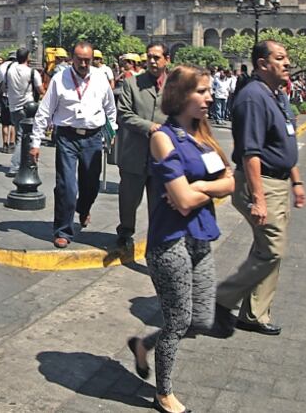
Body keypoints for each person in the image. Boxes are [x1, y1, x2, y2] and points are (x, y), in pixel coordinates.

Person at [126, 65, 235, 413]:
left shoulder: (204, 135)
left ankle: (144, 345)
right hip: (170, 241)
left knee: (200, 319)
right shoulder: (163, 137)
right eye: (201, 91)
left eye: (208, 91)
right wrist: (206, 190)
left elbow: (230, 182)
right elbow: (182, 202)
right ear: (180, 95)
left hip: (200, 237)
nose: (210, 96)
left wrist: (201, 186)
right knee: (178, 322)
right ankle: (164, 392)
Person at [215, 40, 306, 338]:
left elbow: (284, 142)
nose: (287, 62)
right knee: (272, 249)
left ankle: (254, 313)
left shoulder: (276, 95)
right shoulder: (253, 98)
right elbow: (251, 153)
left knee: (267, 249)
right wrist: (259, 199)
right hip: (262, 183)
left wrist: (296, 181)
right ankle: (220, 300)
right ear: (263, 63)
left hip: (277, 183)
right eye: (280, 58)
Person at [31, 41, 117, 247]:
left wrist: (111, 131)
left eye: (88, 60)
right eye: (80, 60)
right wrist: (35, 142)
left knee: (91, 185)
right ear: (72, 58)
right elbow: (45, 111)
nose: (84, 64)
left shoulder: (100, 78)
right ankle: (63, 230)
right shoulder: (60, 79)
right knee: (66, 186)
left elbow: (110, 109)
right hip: (67, 137)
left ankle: (84, 208)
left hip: (93, 137)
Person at [115, 43, 170, 249]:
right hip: (134, 154)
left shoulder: (174, 86)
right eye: (150, 57)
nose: (153, 61)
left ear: (167, 59)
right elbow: (125, 114)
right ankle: (125, 232)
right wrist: (151, 127)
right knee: (128, 200)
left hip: (161, 157)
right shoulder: (132, 84)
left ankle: (156, 241)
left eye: (157, 57)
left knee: (158, 205)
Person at [5, 48, 42, 176]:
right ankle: (15, 166)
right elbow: (40, 89)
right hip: (28, 108)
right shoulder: (32, 72)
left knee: (19, 135)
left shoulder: (9, 70)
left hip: (13, 106)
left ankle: (22, 161)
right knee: (24, 137)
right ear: (28, 57)